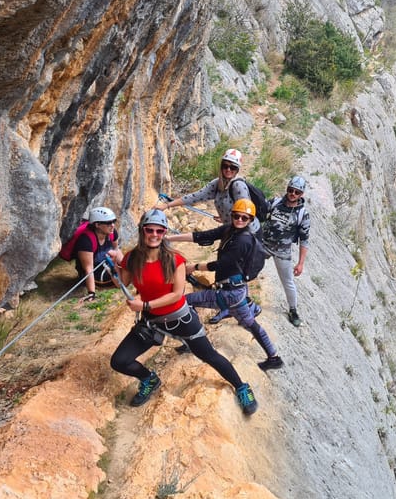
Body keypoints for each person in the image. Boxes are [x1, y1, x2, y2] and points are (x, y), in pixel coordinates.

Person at [107, 209, 258, 414]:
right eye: (149, 230)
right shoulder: (132, 258)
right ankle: (149, 379)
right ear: (142, 231)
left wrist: (145, 306)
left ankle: (242, 387)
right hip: (152, 322)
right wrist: (116, 266)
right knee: (119, 361)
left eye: (159, 231)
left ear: (164, 232)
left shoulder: (174, 260)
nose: (154, 235)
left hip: (180, 319)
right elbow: (121, 283)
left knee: (209, 355)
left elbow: (177, 294)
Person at [167, 199, 284, 371]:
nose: (240, 220)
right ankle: (274, 357)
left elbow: (222, 264)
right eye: (237, 216)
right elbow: (204, 236)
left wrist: (193, 267)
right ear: (232, 215)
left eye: (245, 218)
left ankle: (193, 341)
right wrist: (169, 237)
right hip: (236, 290)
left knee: (184, 302)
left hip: (230, 294)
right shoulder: (230, 230)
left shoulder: (242, 240)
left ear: (251, 220)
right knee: (249, 323)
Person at [154, 148, 259, 233]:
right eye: (225, 166)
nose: (228, 170)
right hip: (233, 230)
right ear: (221, 166)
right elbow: (194, 197)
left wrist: (230, 220)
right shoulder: (218, 184)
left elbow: (246, 213)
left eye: (233, 167)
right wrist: (167, 205)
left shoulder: (238, 186)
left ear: (237, 170)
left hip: (248, 233)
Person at [263, 176, 311, 327]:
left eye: (297, 192)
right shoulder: (275, 202)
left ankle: (293, 310)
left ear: (301, 194)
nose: (292, 194)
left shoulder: (303, 214)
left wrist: (301, 263)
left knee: (288, 282)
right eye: (290, 190)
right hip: (263, 245)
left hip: (283, 252)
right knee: (245, 267)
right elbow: (257, 214)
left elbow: (304, 239)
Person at [76, 206, 119, 302]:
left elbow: (116, 249)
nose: (112, 225)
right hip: (94, 274)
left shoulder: (112, 233)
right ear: (97, 225)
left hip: (106, 265)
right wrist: (92, 293)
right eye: (108, 223)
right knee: (126, 278)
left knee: (133, 267)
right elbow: (88, 269)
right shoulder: (86, 241)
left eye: (113, 222)